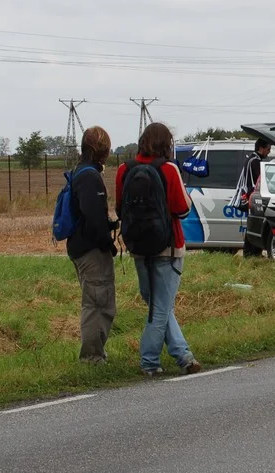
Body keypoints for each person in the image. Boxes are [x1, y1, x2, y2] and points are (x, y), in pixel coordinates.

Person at [115, 122, 202, 376]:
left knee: (156, 304)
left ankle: (184, 356)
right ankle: (149, 361)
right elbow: (182, 209)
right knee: (161, 307)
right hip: (168, 245)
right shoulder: (169, 169)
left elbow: (120, 209)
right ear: (166, 144)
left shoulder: (124, 169)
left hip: (138, 246)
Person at [67, 126, 119, 364]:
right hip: (91, 250)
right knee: (98, 303)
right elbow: (93, 217)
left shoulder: (81, 171)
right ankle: (91, 358)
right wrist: (107, 243)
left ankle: (95, 354)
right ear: (102, 150)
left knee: (97, 301)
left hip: (80, 247)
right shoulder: (90, 177)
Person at [233, 138, 272, 257]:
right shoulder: (255, 161)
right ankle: (251, 253)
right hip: (253, 197)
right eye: (268, 149)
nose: (269, 152)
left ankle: (252, 252)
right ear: (261, 148)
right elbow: (259, 181)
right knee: (255, 225)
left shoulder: (254, 159)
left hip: (252, 197)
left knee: (254, 224)